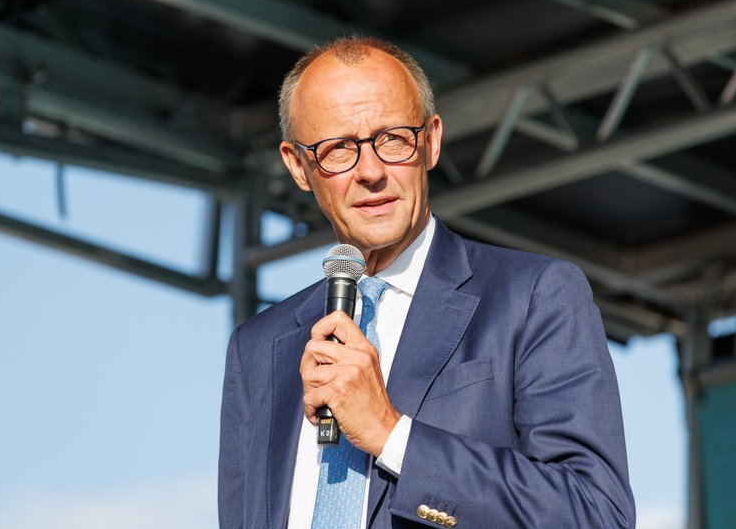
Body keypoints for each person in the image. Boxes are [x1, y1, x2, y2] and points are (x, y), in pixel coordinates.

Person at [218, 35, 635, 528]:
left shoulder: (534, 296)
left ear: (431, 141)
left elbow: (595, 513)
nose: (370, 171)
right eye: (338, 149)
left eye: (392, 138)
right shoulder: (259, 346)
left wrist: (390, 433)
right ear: (298, 166)